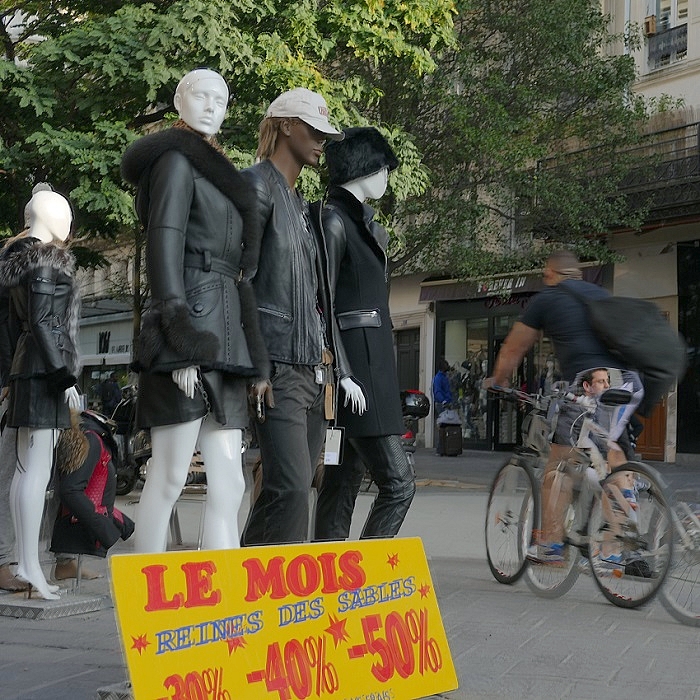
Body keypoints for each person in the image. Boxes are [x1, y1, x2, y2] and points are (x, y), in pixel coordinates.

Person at [120, 68, 268, 553]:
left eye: (220, 99)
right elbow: (165, 245)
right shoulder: (175, 163)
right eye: (200, 96)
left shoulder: (215, 169)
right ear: (179, 101)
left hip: (225, 331)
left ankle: (220, 597)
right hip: (188, 328)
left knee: (230, 483)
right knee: (166, 477)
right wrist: (178, 339)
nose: (211, 105)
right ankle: (144, 594)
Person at [240, 88, 352, 545]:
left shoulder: (302, 206)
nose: (322, 140)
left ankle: (247, 578)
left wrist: (329, 367)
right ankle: (281, 602)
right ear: (286, 125)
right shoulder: (255, 185)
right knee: (288, 489)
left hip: (309, 367)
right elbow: (240, 278)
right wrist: (257, 365)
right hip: (276, 364)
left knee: (294, 487)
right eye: (314, 130)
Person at [485, 249, 644, 564]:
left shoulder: (547, 299)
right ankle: (616, 544)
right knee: (612, 454)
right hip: (629, 382)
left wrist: (497, 380)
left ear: (549, 275)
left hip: (590, 381)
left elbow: (514, 347)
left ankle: (552, 546)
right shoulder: (600, 295)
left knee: (559, 466)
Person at [313, 126, 416, 540]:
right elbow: (323, 303)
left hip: (371, 365)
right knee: (399, 483)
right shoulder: (333, 220)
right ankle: (366, 570)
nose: (387, 176)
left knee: (342, 483)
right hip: (357, 370)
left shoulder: (360, 224)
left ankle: (330, 573)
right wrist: (343, 371)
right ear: (363, 166)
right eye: (382, 167)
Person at [0, 185, 82, 599]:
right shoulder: (46, 263)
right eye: (65, 214)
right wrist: (64, 378)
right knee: (35, 471)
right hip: (43, 373)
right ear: (47, 217)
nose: (70, 223)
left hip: (26, 371)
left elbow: (21, 325)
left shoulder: (20, 264)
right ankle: (29, 567)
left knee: (23, 471)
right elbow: (44, 323)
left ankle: (24, 562)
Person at [50, 410, 134, 564]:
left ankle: (66, 563)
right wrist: (105, 529)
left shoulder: (93, 437)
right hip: (81, 525)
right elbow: (71, 490)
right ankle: (64, 562)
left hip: (84, 520)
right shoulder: (92, 438)